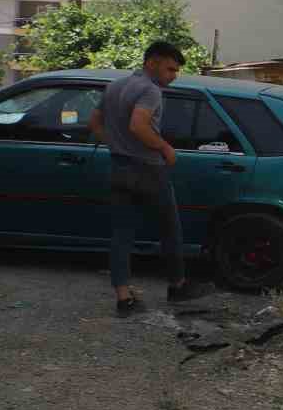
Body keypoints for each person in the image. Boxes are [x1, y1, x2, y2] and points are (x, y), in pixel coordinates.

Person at [90, 41, 213, 316]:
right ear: (152, 62)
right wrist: (164, 147)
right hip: (148, 170)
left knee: (121, 234)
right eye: (170, 68)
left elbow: (94, 123)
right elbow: (138, 124)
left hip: (119, 167)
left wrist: (115, 145)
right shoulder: (150, 90)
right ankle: (177, 285)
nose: (173, 75)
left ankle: (124, 299)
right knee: (170, 228)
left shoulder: (115, 86)